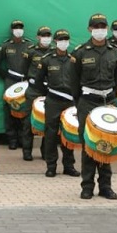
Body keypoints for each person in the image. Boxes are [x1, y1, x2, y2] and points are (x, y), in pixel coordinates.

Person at [70, 13, 117, 200]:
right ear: (89, 29)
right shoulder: (80, 52)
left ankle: (106, 186)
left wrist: (112, 100)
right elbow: (74, 82)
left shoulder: (114, 51)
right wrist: (80, 104)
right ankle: (87, 186)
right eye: (96, 26)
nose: (100, 30)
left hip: (108, 101)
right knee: (89, 144)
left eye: (103, 26)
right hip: (88, 101)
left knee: (108, 143)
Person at [29, 29, 80, 178]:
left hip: (70, 101)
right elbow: (37, 81)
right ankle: (51, 166)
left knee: (68, 133)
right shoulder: (47, 59)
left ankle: (69, 165)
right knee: (51, 134)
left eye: (66, 39)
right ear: (55, 42)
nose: (63, 42)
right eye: (61, 39)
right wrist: (49, 92)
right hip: (53, 101)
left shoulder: (74, 59)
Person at [0, 20, 31, 150]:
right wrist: (6, 76)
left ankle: (23, 139)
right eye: (16, 27)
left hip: (25, 82)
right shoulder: (6, 46)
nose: (18, 30)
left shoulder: (29, 46)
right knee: (9, 109)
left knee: (25, 108)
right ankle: (12, 139)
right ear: (12, 30)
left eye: (20, 27)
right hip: (11, 81)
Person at [20, 26, 54, 161]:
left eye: (48, 35)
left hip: (49, 90)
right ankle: (27, 151)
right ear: (38, 37)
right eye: (43, 35)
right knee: (29, 121)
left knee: (48, 121)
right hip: (34, 89)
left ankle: (45, 151)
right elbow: (24, 69)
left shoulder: (53, 52)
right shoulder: (30, 51)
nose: (46, 38)